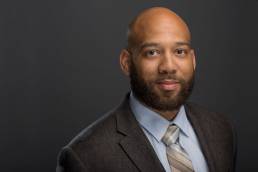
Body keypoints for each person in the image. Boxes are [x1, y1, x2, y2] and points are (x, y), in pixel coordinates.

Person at [56, 7, 237, 172]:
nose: (168, 66)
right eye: (152, 52)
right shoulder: (85, 157)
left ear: (193, 60)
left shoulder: (221, 130)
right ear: (126, 63)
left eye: (179, 51)